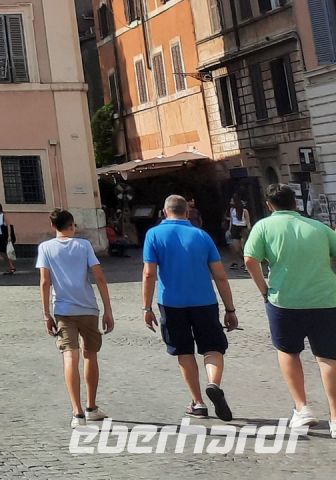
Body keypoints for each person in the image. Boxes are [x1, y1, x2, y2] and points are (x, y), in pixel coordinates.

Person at [243, 183, 336, 433]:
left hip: (284, 300)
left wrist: (263, 289)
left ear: (269, 205)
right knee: (328, 357)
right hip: (326, 299)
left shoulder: (263, 226)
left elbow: (250, 259)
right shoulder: (319, 227)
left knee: (288, 351)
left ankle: (302, 408)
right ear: (295, 202)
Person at [141, 193, 238, 420]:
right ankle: (213, 383)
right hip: (204, 301)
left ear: (165, 212)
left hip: (171, 303)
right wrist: (230, 309)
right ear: (187, 212)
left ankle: (198, 402)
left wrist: (146, 308)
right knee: (213, 348)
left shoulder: (154, 234)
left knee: (184, 351)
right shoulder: (202, 236)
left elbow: (149, 273)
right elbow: (220, 276)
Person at [38, 209, 114, 426]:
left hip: (63, 310)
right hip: (88, 308)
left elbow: (45, 282)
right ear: (72, 225)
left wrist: (46, 314)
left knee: (69, 357)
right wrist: (108, 309)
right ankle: (91, 406)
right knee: (90, 356)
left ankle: (77, 412)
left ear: (53, 227)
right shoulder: (84, 246)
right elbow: (99, 276)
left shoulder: (45, 248)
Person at [226, 196, 253, 271]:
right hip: (235, 228)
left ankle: (247, 264)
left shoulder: (244, 211)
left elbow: (248, 221)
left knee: (244, 246)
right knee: (236, 248)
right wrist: (229, 230)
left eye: (232, 200)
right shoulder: (232, 210)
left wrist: (249, 230)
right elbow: (231, 220)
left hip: (243, 228)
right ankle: (245, 261)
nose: (230, 202)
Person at [0, 203, 17, 276]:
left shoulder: (3, 215)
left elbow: (9, 226)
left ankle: (11, 267)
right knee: (1, 252)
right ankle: (10, 267)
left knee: (5, 252)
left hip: (4, 235)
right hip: (0, 235)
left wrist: (9, 236)